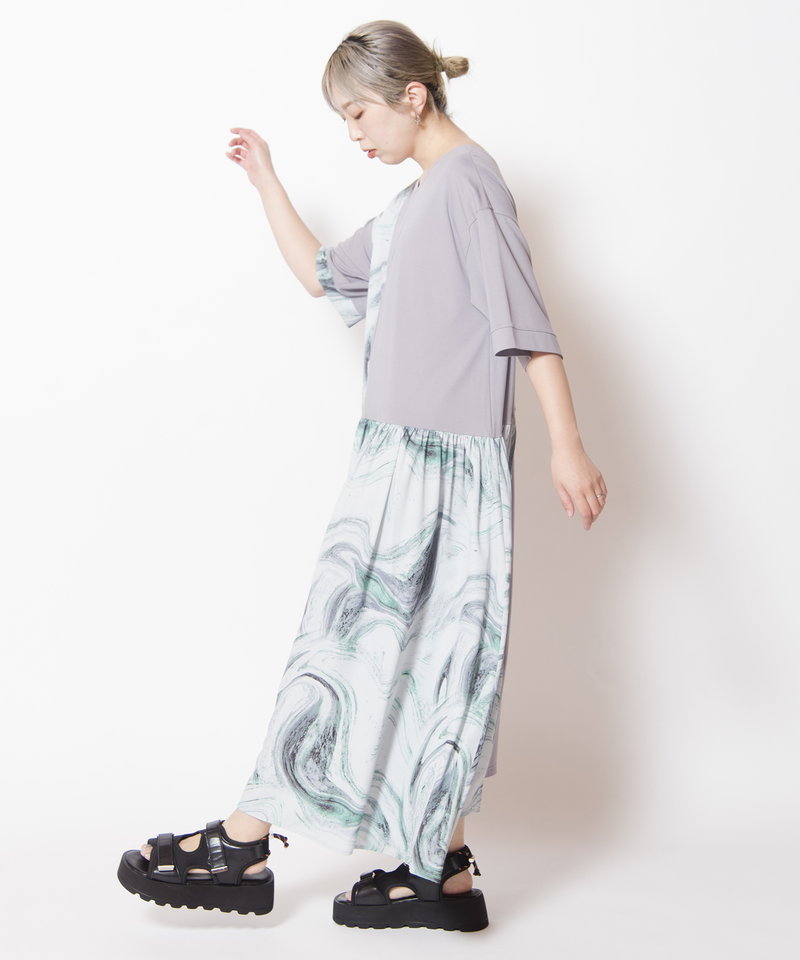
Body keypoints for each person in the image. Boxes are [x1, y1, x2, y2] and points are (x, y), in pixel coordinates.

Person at [116, 19, 607, 932]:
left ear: (412, 96)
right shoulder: (416, 204)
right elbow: (320, 276)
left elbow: (524, 321)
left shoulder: (468, 185)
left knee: (355, 645)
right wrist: (267, 180)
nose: (353, 132)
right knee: (429, 661)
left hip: (441, 468)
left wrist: (565, 443)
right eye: (342, 118)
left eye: (358, 113)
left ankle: (244, 842)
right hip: (396, 455)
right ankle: (440, 868)